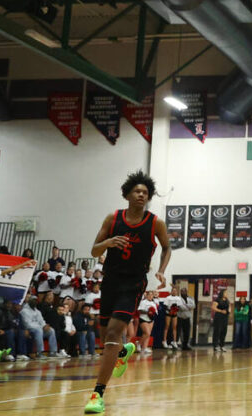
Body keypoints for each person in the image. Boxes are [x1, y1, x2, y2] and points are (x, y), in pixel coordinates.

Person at [84, 170, 172, 415]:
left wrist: (162, 271)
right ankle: (123, 351)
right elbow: (93, 250)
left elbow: (167, 248)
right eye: (137, 191)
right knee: (106, 338)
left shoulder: (155, 222)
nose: (141, 195)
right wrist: (108, 243)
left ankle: (97, 394)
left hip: (134, 283)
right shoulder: (113, 218)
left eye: (145, 192)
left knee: (113, 331)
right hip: (110, 280)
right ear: (128, 194)